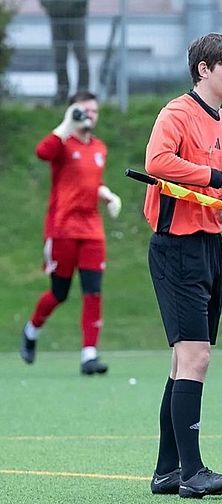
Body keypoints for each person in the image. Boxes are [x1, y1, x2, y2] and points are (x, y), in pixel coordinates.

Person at [144, 32, 222, 499]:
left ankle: (168, 471)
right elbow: (158, 161)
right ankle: (192, 472)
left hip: (209, 245)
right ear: (204, 69)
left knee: (184, 361)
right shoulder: (176, 113)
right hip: (177, 247)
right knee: (195, 356)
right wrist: (218, 179)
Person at [20, 91, 121, 376]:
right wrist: (66, 125)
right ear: (72, 113)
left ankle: (89, 355)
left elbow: (91, 183)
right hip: (63, 229)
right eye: (83, 110)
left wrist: (108, 195)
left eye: (94, 111)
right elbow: (42, 152)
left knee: (93, 291)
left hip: (92, 231)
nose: (90, 115)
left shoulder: (99, 148)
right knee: (59, 293)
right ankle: (31, 330)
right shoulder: (62, 144)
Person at [40, 0, 90, 104]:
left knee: (81, 56)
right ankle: (62, 92)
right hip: (56, 17)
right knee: (60, 57)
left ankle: (83, 93)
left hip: (76, 16)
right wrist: (51, 7)